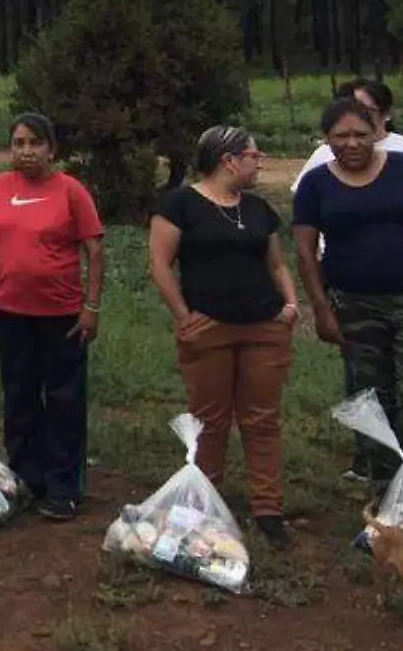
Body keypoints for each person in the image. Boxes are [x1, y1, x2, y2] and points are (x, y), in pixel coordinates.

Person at [290, 78, 403, 483]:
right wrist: (322, 311)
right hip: (355, 305)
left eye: (360, 134)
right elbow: (306, 253)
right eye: (340, 136)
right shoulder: (315, 184)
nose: (352, 143)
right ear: (326, 139)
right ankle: (387, 493)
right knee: (374, 402)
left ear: (377, 132)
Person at [148, 126, 298, 549]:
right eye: (254, 154)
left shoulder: (258, 209)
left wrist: (289, 304)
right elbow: (160, 265)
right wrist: (183, 316)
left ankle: (268, 511)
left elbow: (276, 264)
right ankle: (204, 501)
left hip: (264, 328)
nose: (260, 160)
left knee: (262, 419)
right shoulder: (179, 204)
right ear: (229, 160)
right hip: (209, 327)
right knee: (209, 421)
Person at [0, 112, 104, 522]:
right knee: (19, 395)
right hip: (10, 309)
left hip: (63, 315)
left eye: (35, 143)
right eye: (18, 143)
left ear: (51, 149)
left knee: (64, 399)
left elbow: (94, 250)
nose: (26, 151)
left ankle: (63, 486)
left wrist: (91, 307)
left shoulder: (70, 191)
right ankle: (25, 476)